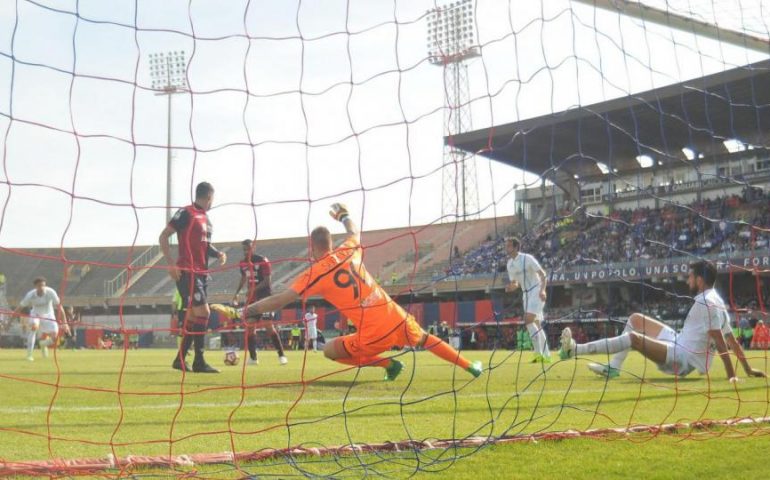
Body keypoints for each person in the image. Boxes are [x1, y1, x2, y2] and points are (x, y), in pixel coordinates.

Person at [242, 203, 482, 380]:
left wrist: (249, 309)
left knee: (329, 351)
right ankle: (470, 366)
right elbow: (353, 231)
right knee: (426, 339)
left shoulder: (315, 273)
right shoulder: (348, 250)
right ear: (330, 243)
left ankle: (388, 364)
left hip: (372, 333)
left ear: (312, 247)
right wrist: (344, 215)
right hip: (394, 315)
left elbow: (282, 299)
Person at [559, 261, 766, 382]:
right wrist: (748, 369)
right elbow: (731, 339)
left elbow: (721, 341)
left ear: (700, 280)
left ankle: (574, 350)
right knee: (635, 319)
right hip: (679, 341)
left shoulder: (707, 303)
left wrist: (732, 376)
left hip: (682, 358)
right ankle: (614, 366)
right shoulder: (716, 300)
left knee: (633, 338)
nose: (688, 281)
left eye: (690, 277)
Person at [159, 181, 226, 374]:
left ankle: (180, 359)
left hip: (202, 274)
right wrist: (171, 263)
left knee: (192, 316)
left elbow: (205, 246)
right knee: (204, 313)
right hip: (187, 272)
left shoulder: (207, 220)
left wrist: (218, 253)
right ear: (209, 197)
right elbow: (164, 236)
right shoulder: (186, 213)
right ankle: (199, 361)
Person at [232, 239, 287, 365]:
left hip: (265, 297)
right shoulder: (242, 263)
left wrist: (253, 290)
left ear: (253, 247)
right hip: (251, 299)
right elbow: (243, 278)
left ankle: (281, 355)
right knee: (250, 327)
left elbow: (267, 281)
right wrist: (236, 293)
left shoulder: (263, 260)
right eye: (244, 249)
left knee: (268, 325)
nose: (246, 251)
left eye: (248, 248)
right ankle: (253, 357)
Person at [505, 237, 551, 363]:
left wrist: (543, 290)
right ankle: (546, 355)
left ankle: (538, 354)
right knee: (536, 324)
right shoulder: (509, 264)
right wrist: (511, 287)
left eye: (508, 246)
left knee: (528, 320)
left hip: (536, 290)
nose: (506, 248)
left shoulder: (527, 258)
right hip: (525, 294)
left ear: (515, 247)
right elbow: (515, 283)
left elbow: (543, 274)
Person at [12, 277, 68, 361]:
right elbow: (19, 308)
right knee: (34, 328)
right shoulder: (30, 295)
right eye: (39, 285)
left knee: (55, 337)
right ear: (35, 286)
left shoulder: (51, 292)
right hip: (36, 314)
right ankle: (29, 355)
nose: (42, 287)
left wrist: (65, 323)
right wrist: (9, 321)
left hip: (49, 315)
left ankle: (43, 344)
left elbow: (60, 307)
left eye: (43, 285)